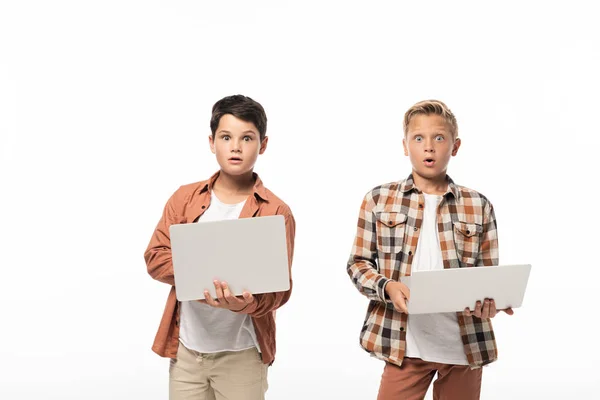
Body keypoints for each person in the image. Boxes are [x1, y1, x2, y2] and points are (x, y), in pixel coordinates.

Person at [346, 99, 513, 400]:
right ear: (405, 145)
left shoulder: (479, 205)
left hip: (464, 346)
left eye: (439, 138)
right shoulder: (378, 199)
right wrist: (388, 287)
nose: (429, 147)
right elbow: (358, 263)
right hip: (404, 343)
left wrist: (492, 301)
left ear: (455, 145)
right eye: (418, 138)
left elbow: (487, 276)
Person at [144, 94, 295, 400]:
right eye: (226, 137)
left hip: (242, 355)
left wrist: (245, 304)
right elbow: (155, 257)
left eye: (247, 138)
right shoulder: (184, 198)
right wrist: (201, 270)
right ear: (212, 142)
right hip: (186, 351)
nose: (236, 146)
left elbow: (280, 290)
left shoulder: (276, 212)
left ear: (263, 145)